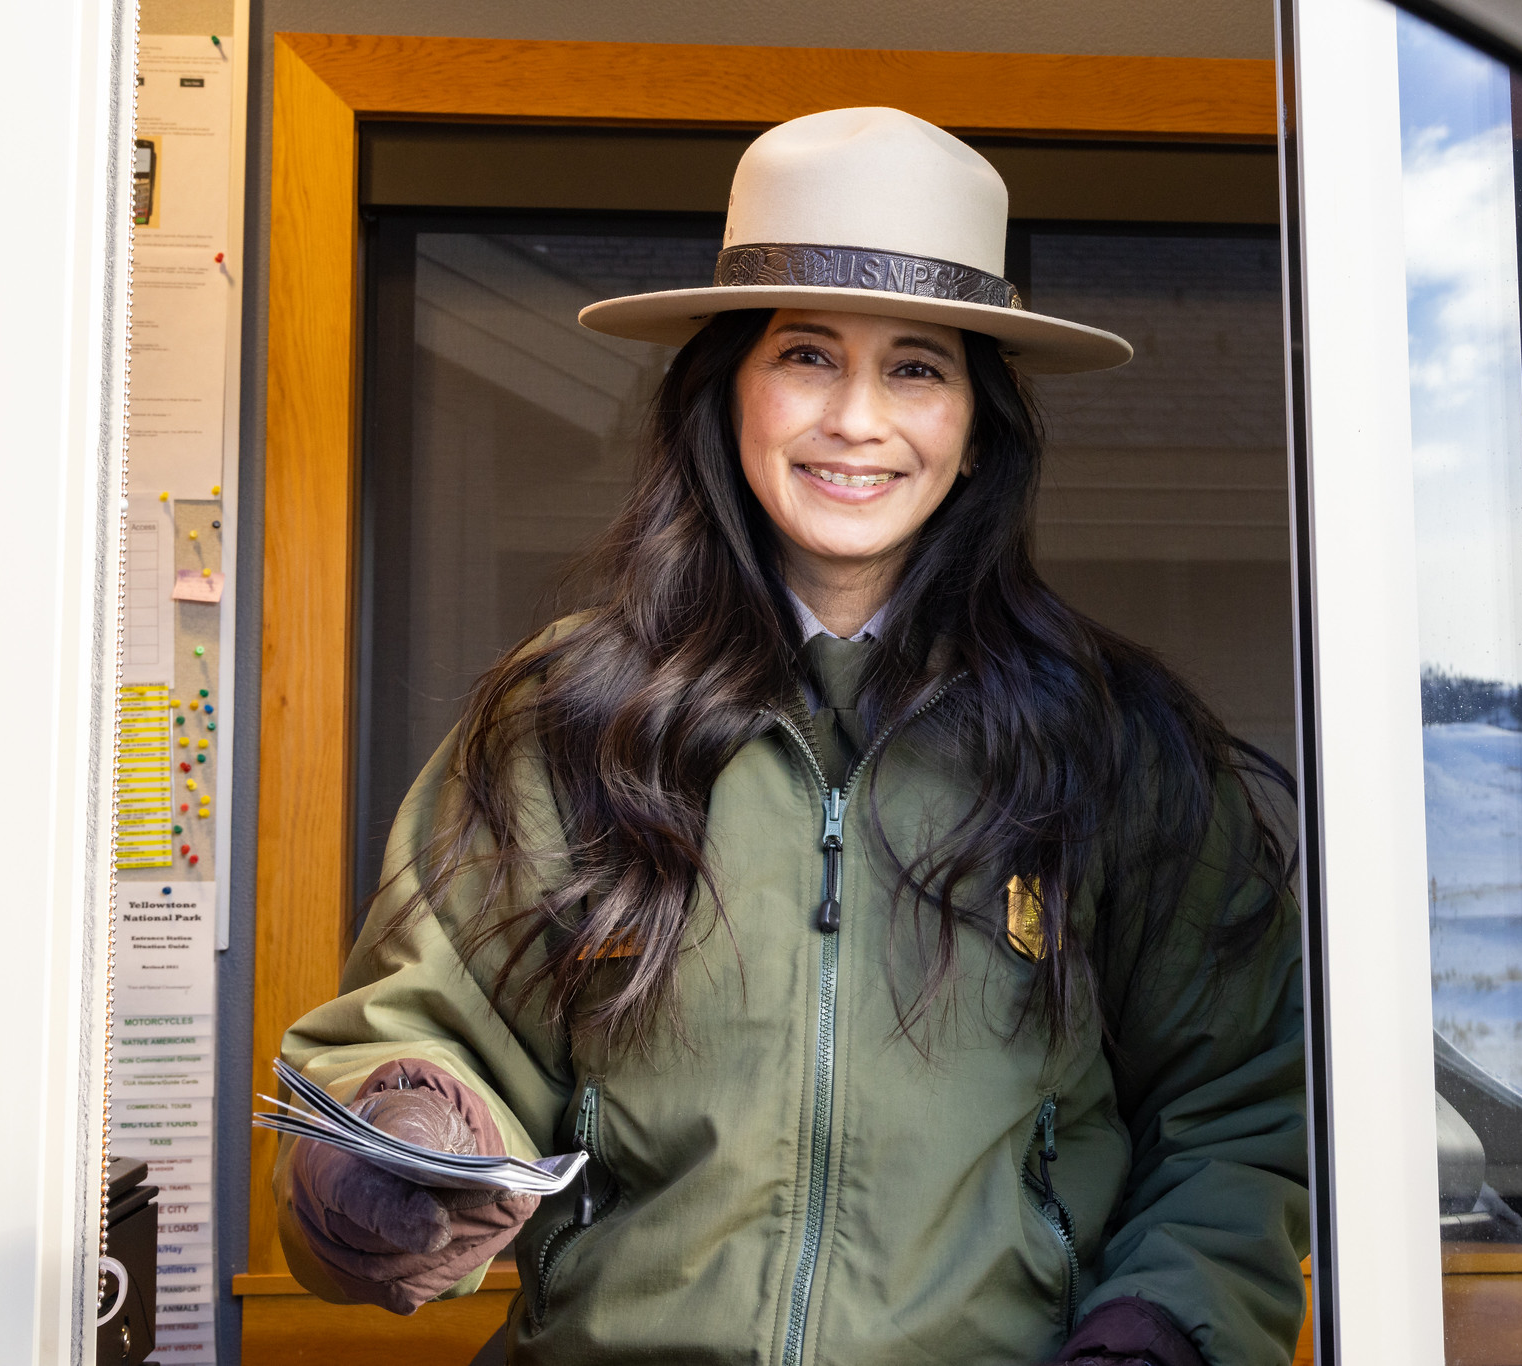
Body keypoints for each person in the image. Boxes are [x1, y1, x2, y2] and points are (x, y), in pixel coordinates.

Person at [272, 107, 1308, 1366]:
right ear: (729, 390)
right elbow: (423, 1026)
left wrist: (1153, 1337)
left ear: (976, 424)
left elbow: (1234, 1119)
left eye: (917, 366)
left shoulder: (1115, 744)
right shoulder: (566, 719)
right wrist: (404, 1139)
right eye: (807, 355)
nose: (857, 420)